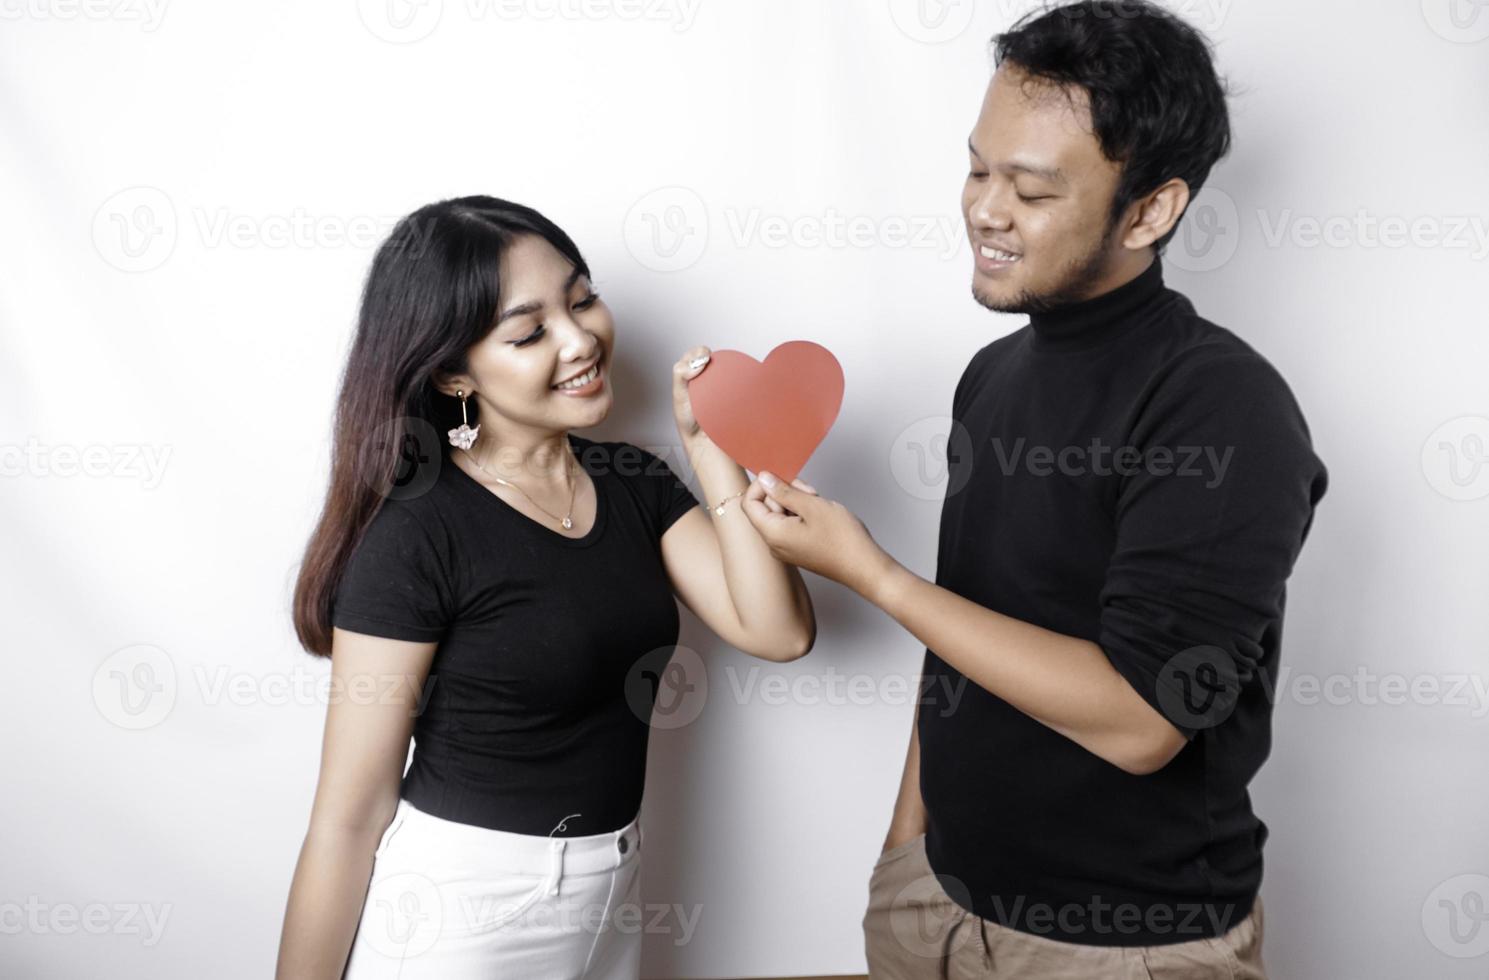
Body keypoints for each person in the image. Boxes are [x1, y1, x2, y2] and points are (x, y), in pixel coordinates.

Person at [740, 3, 1327, 977]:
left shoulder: (1222, 408)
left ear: (1149, 210)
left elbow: (1145, 721)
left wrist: (872, 575)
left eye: (1031, 188)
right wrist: (905, 850)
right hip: (936, 901)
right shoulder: (990, 374)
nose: (983, 209)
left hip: (1122, 945)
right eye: (977, 168)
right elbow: (963, 626)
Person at [274, 195, 816, 979]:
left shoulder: (632, 480)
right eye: (530, 332)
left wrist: (708, 449)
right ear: (454, 371)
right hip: (463, 911)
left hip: (613, 892)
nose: (580, 338)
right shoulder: (417, 533)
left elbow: (778, 631)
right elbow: (349, 816)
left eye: (583, 298)